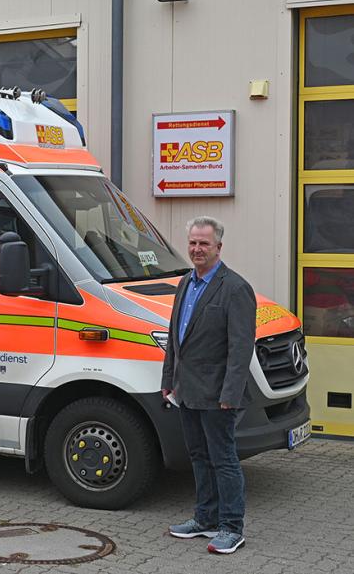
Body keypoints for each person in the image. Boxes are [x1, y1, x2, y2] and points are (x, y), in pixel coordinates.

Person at [161, 217, 256, 554]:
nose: (197, 249)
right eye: (192, 243)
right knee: (199, 457)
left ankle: (232, 527)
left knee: (224, 460)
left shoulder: (235, 288)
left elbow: (241, 347)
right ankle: (205, 519)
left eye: (204, 243)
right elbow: (176, 339)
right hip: (187, 391)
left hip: (218, 396)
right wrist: (168, 380)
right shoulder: (186, 282)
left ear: (219, 247)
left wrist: (230, 393)